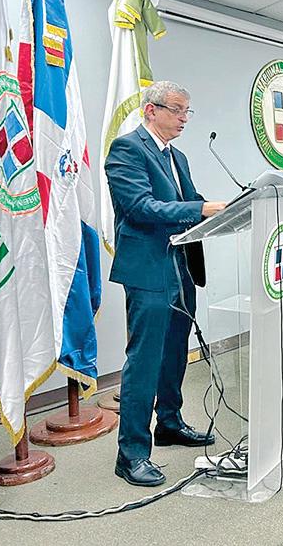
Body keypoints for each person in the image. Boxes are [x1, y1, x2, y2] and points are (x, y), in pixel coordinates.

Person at [105, 81, 226, 487]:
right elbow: (141, 207)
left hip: (180, 267)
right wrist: (201, 208)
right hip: (148, 269)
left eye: (187, 111)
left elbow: (188, 200)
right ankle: (131, 454)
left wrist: (229, 207)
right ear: (151, 110)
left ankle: (170, 424)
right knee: (145, 360)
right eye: (177, 110)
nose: (184, 119)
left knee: (176, 351)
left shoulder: (178, 156)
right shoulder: (127, 150)